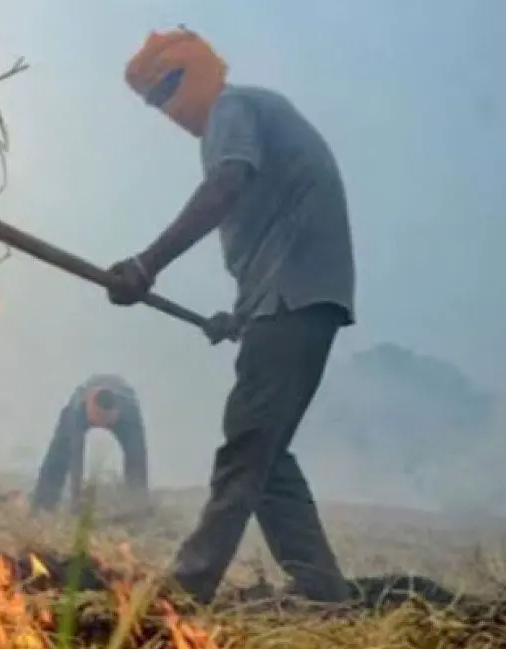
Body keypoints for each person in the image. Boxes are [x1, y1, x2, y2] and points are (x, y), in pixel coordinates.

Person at [106, 27, 356, 604]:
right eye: (153, 102)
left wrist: (147, 263)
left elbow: (226, 186)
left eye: (167, 89)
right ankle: (322, 590)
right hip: (290, 302)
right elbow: (273, 231)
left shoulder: (232, 107)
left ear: (193, 70)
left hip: (293, 299)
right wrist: (238, 318)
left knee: (246, 443)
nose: (165, 108)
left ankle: (187, 587)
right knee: (264, 454)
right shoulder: (250, 111)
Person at [30, 373, 148, 514]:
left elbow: (138, 460)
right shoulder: (77, 408)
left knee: (136, 463)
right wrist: (76, 500)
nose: (102, 425)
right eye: (97, 419)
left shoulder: (129, 412)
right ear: (89, 407)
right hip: (80, 408)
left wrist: (138, 499)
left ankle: (138, 511)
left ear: (117, 412)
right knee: (57, 456)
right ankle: (42, 506)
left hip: (125, 403)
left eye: (107, 421)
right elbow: (75, 456)